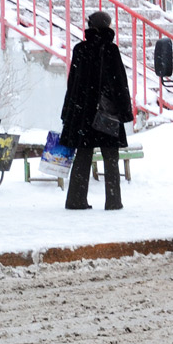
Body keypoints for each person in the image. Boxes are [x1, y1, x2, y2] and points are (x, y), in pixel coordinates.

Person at [60, 11, 133, 210]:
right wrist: (125, 111)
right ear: (107, 27)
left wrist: (68, 113)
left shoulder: (80, 50)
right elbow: (120, 84)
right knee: (111, 159)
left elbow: (72, 84)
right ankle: (113, 201)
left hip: (83, 114)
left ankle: (76, 199)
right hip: (107, 114)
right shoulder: (111, 50)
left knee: (83, 156)